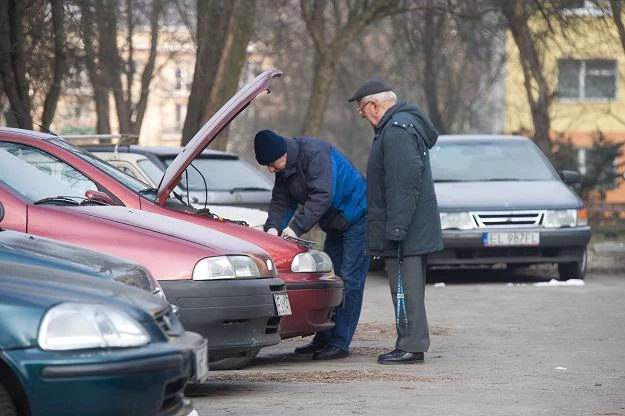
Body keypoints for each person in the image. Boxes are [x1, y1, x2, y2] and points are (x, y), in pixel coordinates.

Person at [348, 76, 443, 364]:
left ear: (374, 105)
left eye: (363, 113)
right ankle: (410, 341)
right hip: (409, 226)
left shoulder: (397, 131)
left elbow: (404, 183)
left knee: (405, 288)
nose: (365, 119)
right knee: (407, 286)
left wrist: (397, 228)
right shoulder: (400, 126)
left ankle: (411, 346)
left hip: (406, 229)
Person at [253, 129, 370, 360]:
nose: (270, 169)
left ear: (283, 154)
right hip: (335, 223)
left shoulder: (316, 154)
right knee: (329, 280)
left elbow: (322, 196)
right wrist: (273, 229)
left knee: (350, 280)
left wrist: (294, 229)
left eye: (271, 163)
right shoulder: (285, 168)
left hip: (358, 218)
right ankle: (324, 337)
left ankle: (340, 342)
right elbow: (281, 200)